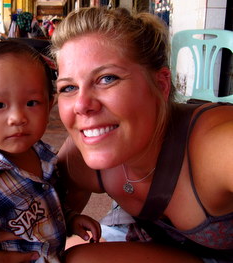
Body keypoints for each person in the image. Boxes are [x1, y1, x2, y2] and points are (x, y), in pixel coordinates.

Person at [49, 7, 233, 263]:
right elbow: (38, 225)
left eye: (106, 78)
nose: (81, 105)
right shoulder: (78, 158)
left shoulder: (219, 145)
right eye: (68, 87)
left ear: (161, 84)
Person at [0, 40, 101, 263]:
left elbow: (47, 206)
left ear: (49, 105)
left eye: (32, 103)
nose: (17, 118)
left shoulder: (43, 156)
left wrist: (70, 219)